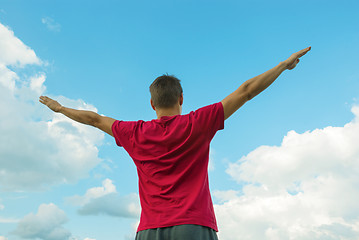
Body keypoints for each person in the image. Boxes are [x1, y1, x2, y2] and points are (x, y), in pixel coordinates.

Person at [39, 47, 311, 240]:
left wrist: (61, 108)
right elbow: (246, 92)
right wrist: (282, 66)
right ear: (181, 99)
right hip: (192, 225)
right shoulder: (198, 123)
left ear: (151, 103)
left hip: (149, 230)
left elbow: (95, 120)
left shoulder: (134, 132)